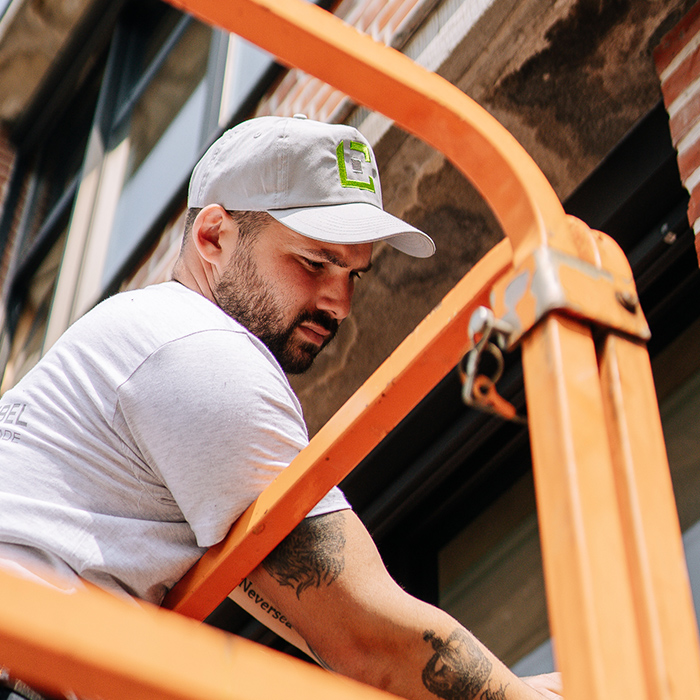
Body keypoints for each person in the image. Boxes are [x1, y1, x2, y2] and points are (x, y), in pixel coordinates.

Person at [0, 115, 562, 700]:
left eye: (354, 274)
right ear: (213, 237)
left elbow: (341, 630)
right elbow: (366, 639)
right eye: (314, 263)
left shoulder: (143, 337)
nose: (340, 303)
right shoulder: (198, 350)